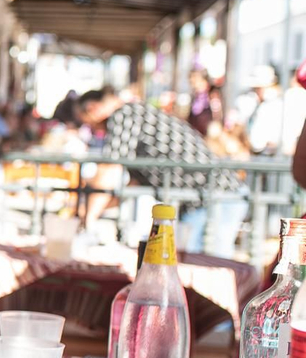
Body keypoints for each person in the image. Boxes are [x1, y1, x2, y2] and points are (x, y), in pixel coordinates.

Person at [75, 88, 247, 259]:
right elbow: (130, 182)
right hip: (204, 196)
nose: (93, 129)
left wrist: (88, 216)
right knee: (192, 263)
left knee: (206, 267)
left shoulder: (124, 114)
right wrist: (94, 209)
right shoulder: (136, 115)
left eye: (88, 123)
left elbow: (109, 169)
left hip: (214, 195)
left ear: (92, 108)